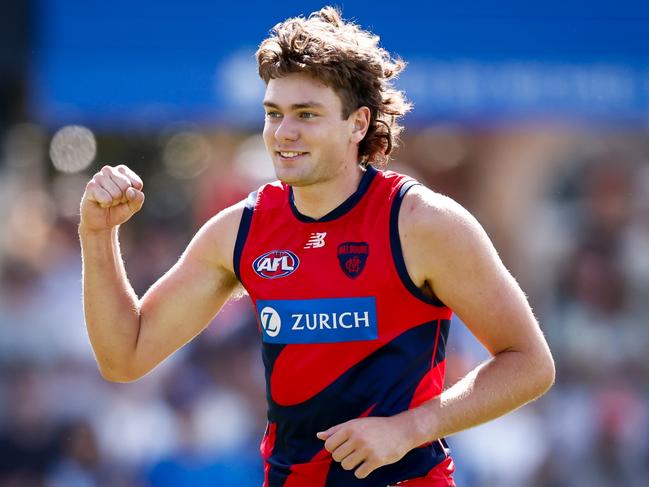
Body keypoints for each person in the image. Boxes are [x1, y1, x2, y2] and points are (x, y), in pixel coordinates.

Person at [78, 6, 555, 487]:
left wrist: (410, 428)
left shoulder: (422, 222)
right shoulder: (240, 230)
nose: (284, 132)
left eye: (306, 114)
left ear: (358, 123)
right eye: (273, 114)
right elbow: (125, 357)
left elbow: (530, 363)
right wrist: (97, 235)